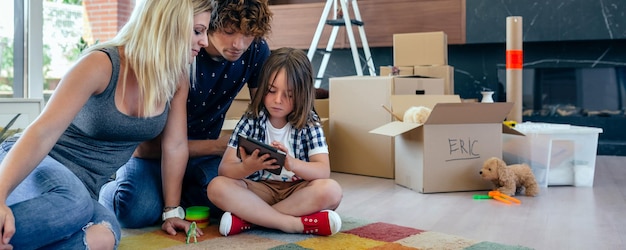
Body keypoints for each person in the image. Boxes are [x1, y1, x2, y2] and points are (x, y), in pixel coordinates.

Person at [0, 0, 211, 248]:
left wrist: (171, 211)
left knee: (106, 235)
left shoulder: (175, 79)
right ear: (169, 25)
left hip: (84, 191)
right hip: (37, 165)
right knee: (73, 203)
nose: (205, 42)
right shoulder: (101, 64)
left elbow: (175, 146)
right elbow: (42, 132)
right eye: (198, 31)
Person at [99, 0, 273, 228]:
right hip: (152, 153)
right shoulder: (182, 50)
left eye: (248, 36)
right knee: (136, 210)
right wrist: (217, 146)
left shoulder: (256, 50)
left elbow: (266, 113)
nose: (239, 45)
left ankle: (176, 191)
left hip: (201, 155)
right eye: (229, 32)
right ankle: (111, 187)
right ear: (210, 22)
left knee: (233, 198)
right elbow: (146, 147)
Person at [206, 47, 343, 237]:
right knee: (217, 186)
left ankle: (251, 220)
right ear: (263, 87)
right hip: (259, 189)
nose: (277, 100)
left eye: (288, 94)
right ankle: (293, 224)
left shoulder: (309, 122)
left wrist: (292, 163)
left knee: (331, 190)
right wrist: (247, 167)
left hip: (297, 192)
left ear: (302, 94)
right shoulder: (251, 119)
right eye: (271, 90)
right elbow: (225, 169)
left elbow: (322, 171)